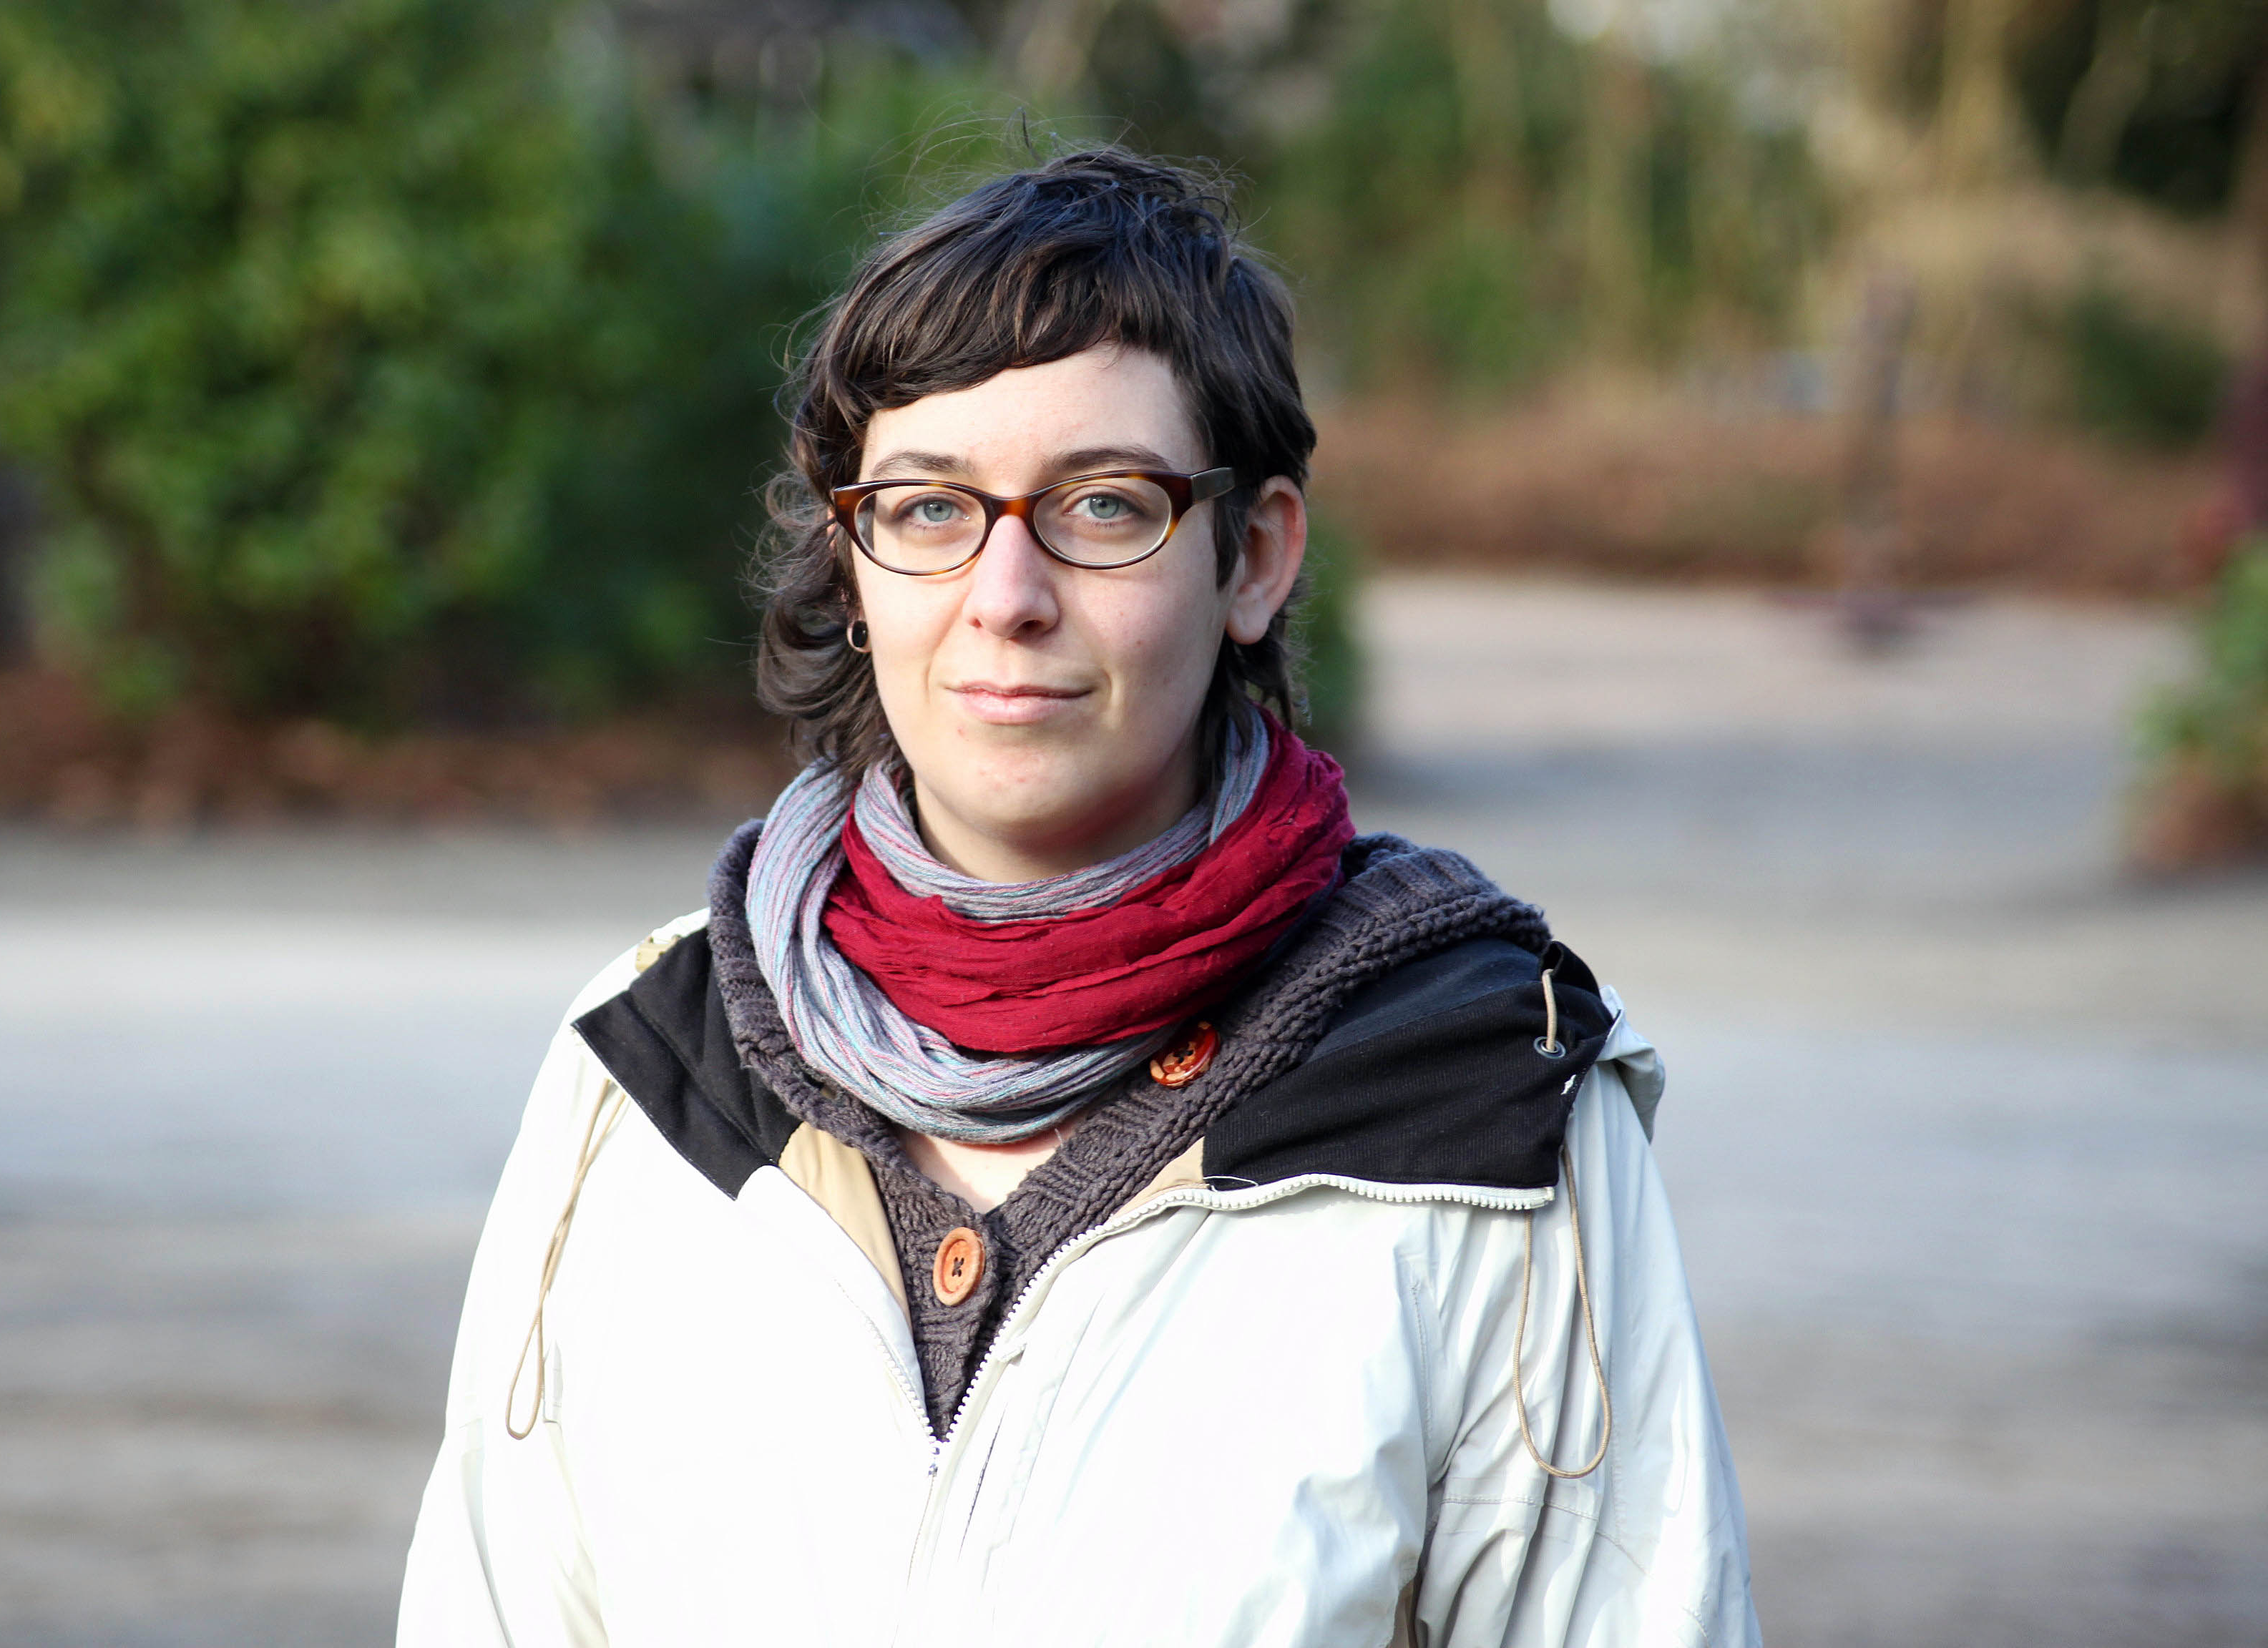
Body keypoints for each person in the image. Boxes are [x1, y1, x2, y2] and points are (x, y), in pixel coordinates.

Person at [398, 147, 1759, 1647]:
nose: (1006, 595)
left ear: (1253, 560)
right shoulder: (645, 1076)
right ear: (854, 564)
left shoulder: (1484, 1104)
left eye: (1104, 507)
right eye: (929, 508)